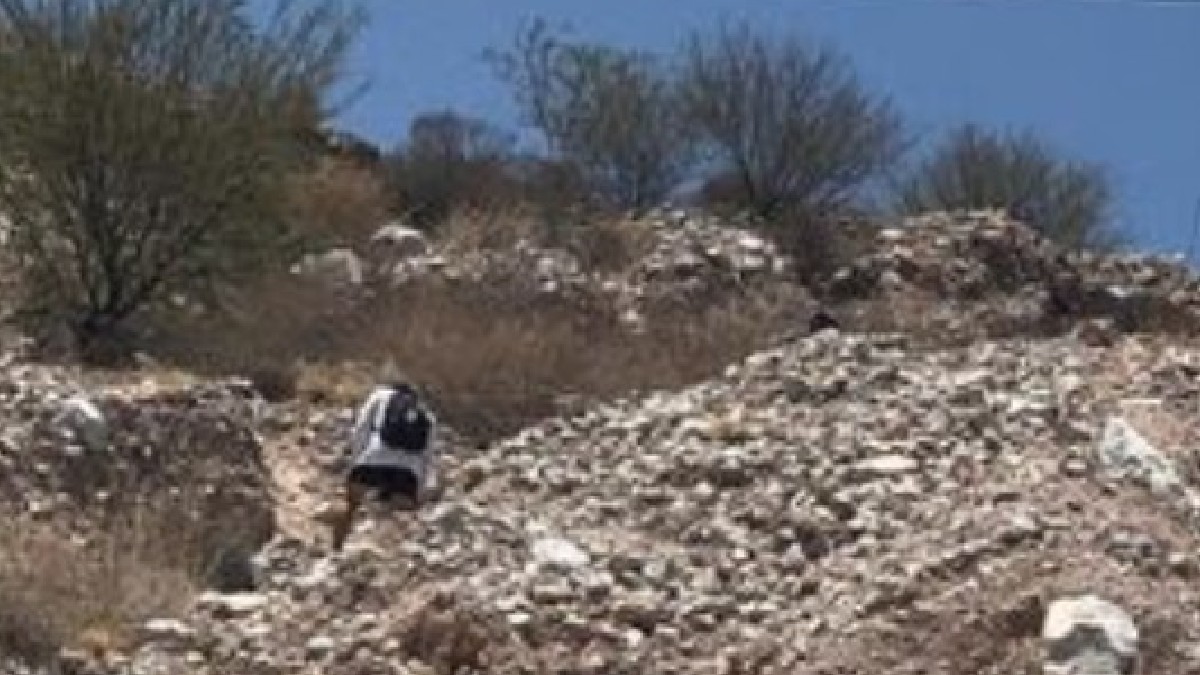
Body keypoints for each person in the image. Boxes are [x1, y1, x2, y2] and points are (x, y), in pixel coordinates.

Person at [330, 381, 438, 551]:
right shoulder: (425, 414)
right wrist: (418, 491)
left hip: (372, 459)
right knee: (400, 517)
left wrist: (355, 464)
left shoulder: (379, 395)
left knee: (351, 504)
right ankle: (395, 560)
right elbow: (427, 456)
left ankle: (336, 551)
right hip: (409, 471)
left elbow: (361, 430)